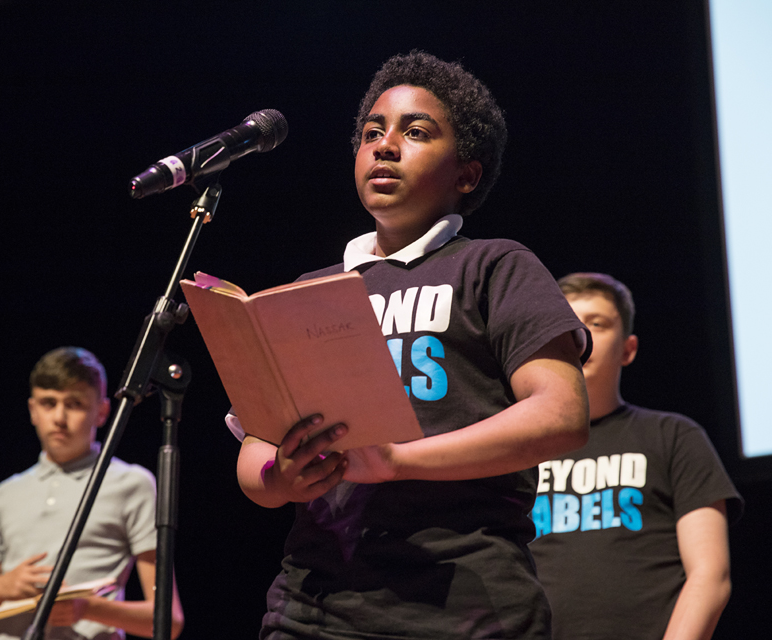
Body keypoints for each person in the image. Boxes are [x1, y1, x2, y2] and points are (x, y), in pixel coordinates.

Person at [227, 51, 591, 638]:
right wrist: (281, 478)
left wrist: (398, 462)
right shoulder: (309, 290)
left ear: (466, 174)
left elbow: (562, 415)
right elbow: (255, 449)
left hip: (465, 606)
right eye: (372, 133)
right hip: (312, 608)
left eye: (415, 132)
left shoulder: (494, 266)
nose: (384, 145)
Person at [529, 273, 743, 640]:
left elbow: (711, 576)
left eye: (597, 323)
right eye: (565, 324)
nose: (580, 336)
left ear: (628, 349)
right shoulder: (517, 448)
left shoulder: (673, 436)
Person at [0, 346, 184, 640]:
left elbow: (169, 621)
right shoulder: (4, 495)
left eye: (74, 404)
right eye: (48, 403)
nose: (59, 418)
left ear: (101, 412)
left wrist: (86, 608)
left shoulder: (131, 483)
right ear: (32, 410)